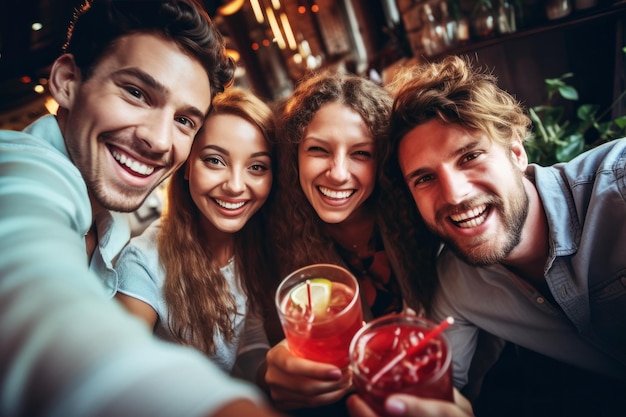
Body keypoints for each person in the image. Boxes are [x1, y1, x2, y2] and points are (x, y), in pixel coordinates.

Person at [0, 1, 284, 416]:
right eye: (136, 92)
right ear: (66, 81)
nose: (159, 140)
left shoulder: (107, 219)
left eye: (185, 120)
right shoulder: (21, 168)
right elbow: (40, 301)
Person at [361, 55, 626, 416]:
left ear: (516, 152)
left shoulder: (619, 189)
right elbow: (436, 391)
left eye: (470, 156)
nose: (454, 195)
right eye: (424, 178)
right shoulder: (455, 286)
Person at [262, 70, 439, 414]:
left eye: (361, 154)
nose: (339, 173)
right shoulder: (273, 236)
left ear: (383, 160)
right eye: (318, 150)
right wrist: (273, 372)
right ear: (293, 155)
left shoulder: (422, 215)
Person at [115, 88, 275, 384]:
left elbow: (249, 344)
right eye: (215, 160)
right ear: (187, 165)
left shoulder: (252, 245)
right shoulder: (142, 263)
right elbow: (124, 375)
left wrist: (276, 375)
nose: (236, 186)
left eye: (256, 167)